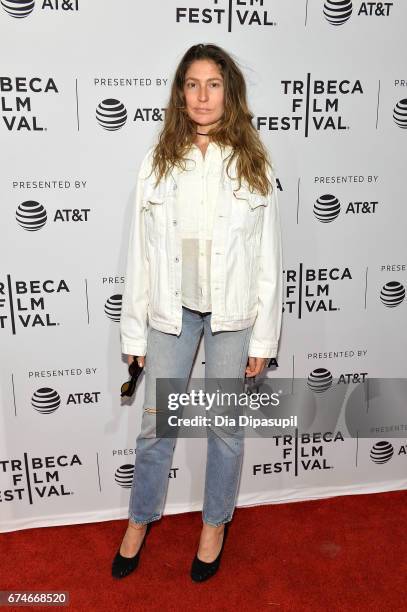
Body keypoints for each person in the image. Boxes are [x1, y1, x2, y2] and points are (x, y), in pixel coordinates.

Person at [112, 43, 283, 582]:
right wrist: (134, 330)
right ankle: (139, 519)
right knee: (155, 427)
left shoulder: (252, 161)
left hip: (233, 316)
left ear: (228, 92)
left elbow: (268, 257)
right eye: (192, 83)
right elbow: (140, 252)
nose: (203, 95)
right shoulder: (158, 161)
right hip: (173, 312)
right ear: (180, 93)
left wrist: (263, 341)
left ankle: (214, 524)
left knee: (226, 429)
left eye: (213, 84)